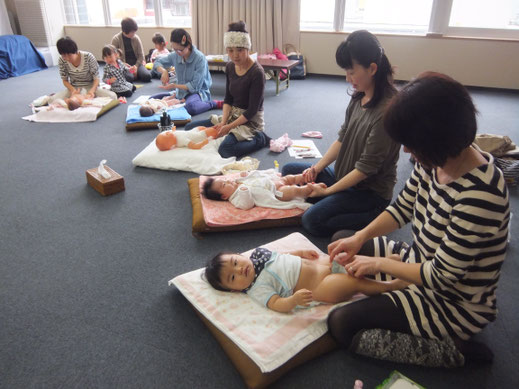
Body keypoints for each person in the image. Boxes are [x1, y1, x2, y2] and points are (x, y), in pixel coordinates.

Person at [325, 72, 510, 367]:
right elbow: (402, 209)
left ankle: (457, 352)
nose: (407, 150)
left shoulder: (480, 194)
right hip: (420, 261)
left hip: (453, 301)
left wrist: (380, 265)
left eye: (412, 143)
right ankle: (393, 285)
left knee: (342, 325)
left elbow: (442, 276)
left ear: (435, 138)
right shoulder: (436, 160)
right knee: (342, 239)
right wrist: (360, 236)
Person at [281, 30, 399, 237]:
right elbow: (342, 139)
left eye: (352, 72)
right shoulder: (359, 96)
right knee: (290, 169)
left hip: (369, 193)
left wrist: (326, 192)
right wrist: (317, 168)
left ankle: (374, 215)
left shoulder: (385, 113)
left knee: (312, 221)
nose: (347, 78)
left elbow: (364, 170)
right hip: (344, 174)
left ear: (372, 69)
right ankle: (333, 198)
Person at [204, 247, 404, 313]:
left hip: (322, 265)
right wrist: (292, 301)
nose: (240, 270)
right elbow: (275, 304)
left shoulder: (258, 255)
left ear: (238, 254)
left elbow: (282, 255)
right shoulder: (257, 288)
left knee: (346, 259)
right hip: (320, 287)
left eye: (235, 262)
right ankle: (389, 286)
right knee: (353, 282)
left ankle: (383, 265)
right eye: (233, 277)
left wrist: (299, 252)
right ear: (234, 290)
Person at [183, 20, 270, 159]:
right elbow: (228, 99)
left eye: (240, 50)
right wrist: (223, 122)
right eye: (230, 50)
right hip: (232, 116)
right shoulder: (230, 67)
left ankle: (260, 139)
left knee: (225, 150)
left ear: (248, 48)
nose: (235, 55)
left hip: (250, 122)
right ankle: (227, 131)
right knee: (189, 129)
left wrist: (229, 127)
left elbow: (252, 110)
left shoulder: (257, 72)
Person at [151, 29, 222, 116]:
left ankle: (213, 104)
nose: (177, 52)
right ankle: (179, 101)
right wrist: (164, 71)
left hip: (197, 92)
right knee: (152, 99)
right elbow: (157, 62)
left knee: (191, 107)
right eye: (174, 49)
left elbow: (195, 86)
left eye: (180, 50)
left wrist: (174, 86)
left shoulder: (199, 58)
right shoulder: (176, 55)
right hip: (180, 91)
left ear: (188, 45)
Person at [203, 170, 327, 210]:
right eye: (224, 185)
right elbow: (247, 205)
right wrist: (244, 190)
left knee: (290, 178)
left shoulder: (238, 182)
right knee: (293, 190)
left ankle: (302, 177)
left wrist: (247, 175)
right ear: (224, 196)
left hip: (272, 182)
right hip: (276, 193)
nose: (228, 181)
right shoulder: (236, 198)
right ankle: (309, 188)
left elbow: (254, 176)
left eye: (225, 180)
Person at [50, 37, 117, 103]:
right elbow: (65, 80)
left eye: (69, 55)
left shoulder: (88, 57)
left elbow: (96, 78)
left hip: (90, 87)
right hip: (74, 88)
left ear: (75, 51)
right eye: (64, 55)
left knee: (113, 96)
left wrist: (92, 91)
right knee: (51, 100)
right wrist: (73, 90)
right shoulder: (62, 60)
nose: (67, 58)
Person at [111, 17, 152, 82]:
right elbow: (113, 57)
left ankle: (136, 74)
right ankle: (134, 75)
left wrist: (136, 66)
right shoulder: (116, 39)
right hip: (124, 65)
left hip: (136, 63)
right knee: (129, 78)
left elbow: (141, 55)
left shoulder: (136, 38)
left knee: (147, 77)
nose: (134, 34)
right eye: (132, 32)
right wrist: (123, 64)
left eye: (134, 32)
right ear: (125, 31)